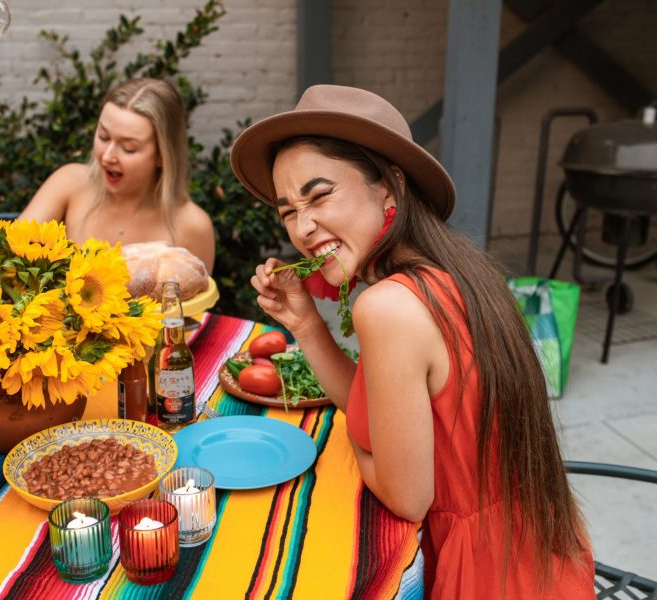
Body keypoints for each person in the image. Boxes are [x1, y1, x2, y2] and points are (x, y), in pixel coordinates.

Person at [231, 85, 595, 598]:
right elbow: (384, 409)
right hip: (535, 554)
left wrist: (348, 447)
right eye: (287, 210)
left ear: (390, 188)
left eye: (319, 195)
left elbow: (406, 497)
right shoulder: (457, 270)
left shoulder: (387, 306)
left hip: (475, 575)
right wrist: (308, 326)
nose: (304, 227)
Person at [19, 78, 215, 273]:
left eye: (129, 148)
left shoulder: (193, 225)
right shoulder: (69, 183)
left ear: (162, 156)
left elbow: (197, 301)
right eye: (103, 136)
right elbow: (9, 254)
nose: (108, 156)